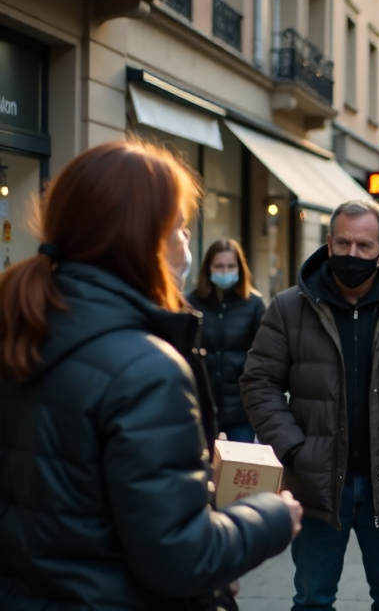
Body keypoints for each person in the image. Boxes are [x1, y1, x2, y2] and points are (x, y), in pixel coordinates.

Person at [0, 140, 300, 609]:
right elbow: (182, 557)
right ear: (144, 238)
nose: (187, 243)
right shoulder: (146, 369)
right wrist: (272, 516)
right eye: (180, 226)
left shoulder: (23, 328)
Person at [242, 199, 379, 611]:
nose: (352, 255)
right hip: (317, 484)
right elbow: (259, 382)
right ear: (328, 243)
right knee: (312, 600)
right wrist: (293, 448)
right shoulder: (290, 307)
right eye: (342, 243)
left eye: (363, 246)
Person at [188, 238, 267, 443]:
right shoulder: (191, 303)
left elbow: (263, 358)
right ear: (208, 268)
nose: (225, 271)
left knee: (239, 472)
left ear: (240, 269)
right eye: (219, 266)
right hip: (201, 405)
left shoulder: (254, 305)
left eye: (231, 266)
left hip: (241, 411)